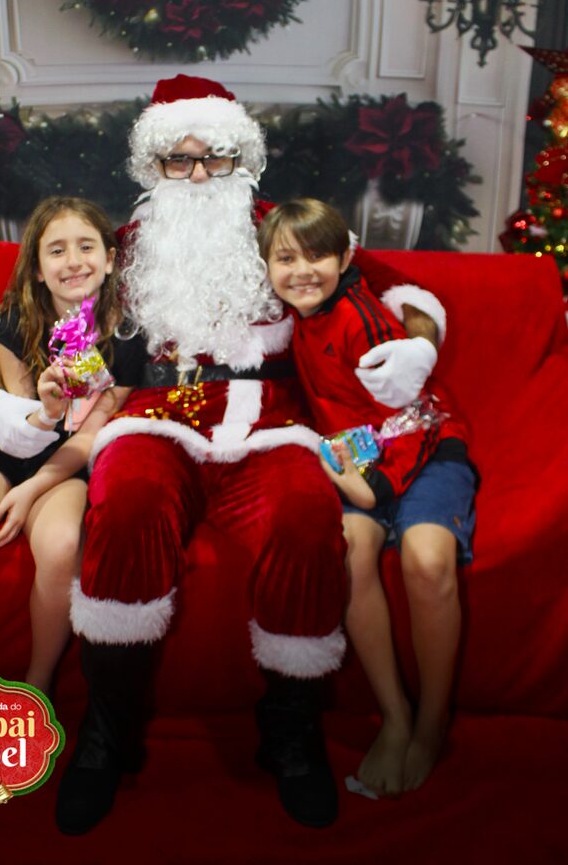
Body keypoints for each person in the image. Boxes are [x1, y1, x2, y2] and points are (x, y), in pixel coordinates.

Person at [0, 75, 447, 834]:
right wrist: (13, 390)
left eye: (215, 158)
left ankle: (290, 732)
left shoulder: (280, 233)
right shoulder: (127, 247)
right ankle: (108, 733)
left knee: (304, 516)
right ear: (154, 165)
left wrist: (417, 347)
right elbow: (23, 312)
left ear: (241, 159)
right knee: (125, 505)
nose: (198, 176)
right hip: (153, 418)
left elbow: (404, 293)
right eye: (179, 159)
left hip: (269, 424)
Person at [260, 197, 476, 797]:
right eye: (285, 259)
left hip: (426, 452)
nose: (302, 271)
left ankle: (430, 723)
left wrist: (375, 486)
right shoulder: (295, 319)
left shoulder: (365, 319)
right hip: (362, 460)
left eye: (317, 256)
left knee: (427, 560)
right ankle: (395, 715)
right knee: (350, 552)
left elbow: (418, 415)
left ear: (345, 257)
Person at [0, 196, 142, 690]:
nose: (74, 261)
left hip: (66, 459)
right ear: (38, 270)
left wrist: (30, 492)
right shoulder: (16, 320)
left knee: (63, 543)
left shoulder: (128, 337)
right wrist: (45, 408)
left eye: (86, 246)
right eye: (57, 250)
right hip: (0, 443)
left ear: (110, 258)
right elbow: (15, 428)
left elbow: (91, 432)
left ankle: (38, 684)